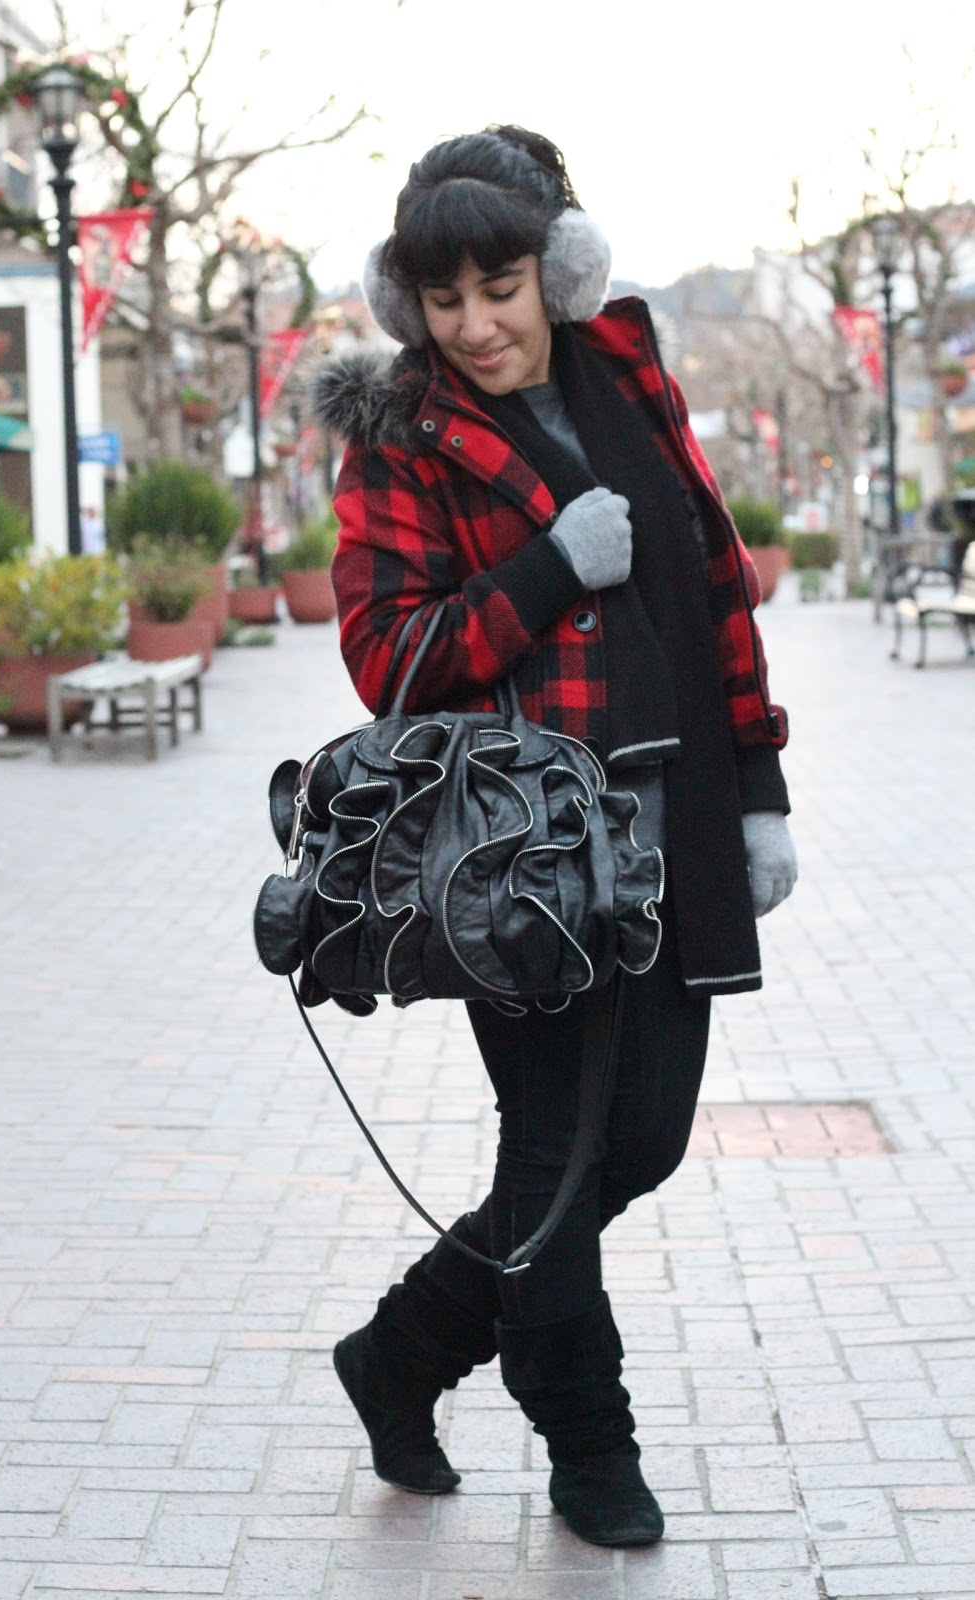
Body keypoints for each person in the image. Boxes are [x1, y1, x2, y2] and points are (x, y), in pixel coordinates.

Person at [314, 126, 796, 1548]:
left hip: (676, 840)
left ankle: (400, 1354)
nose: (474, 325)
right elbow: (387, 656)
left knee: (634, 1145)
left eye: (501, 285)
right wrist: (541, 569)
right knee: (555, 1154)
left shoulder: (631, 375)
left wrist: (759, 787)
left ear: (560, 269)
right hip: (521, 865)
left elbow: (716, 590)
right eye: (443, 298)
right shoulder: (399, 433)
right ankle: (589, 1439)